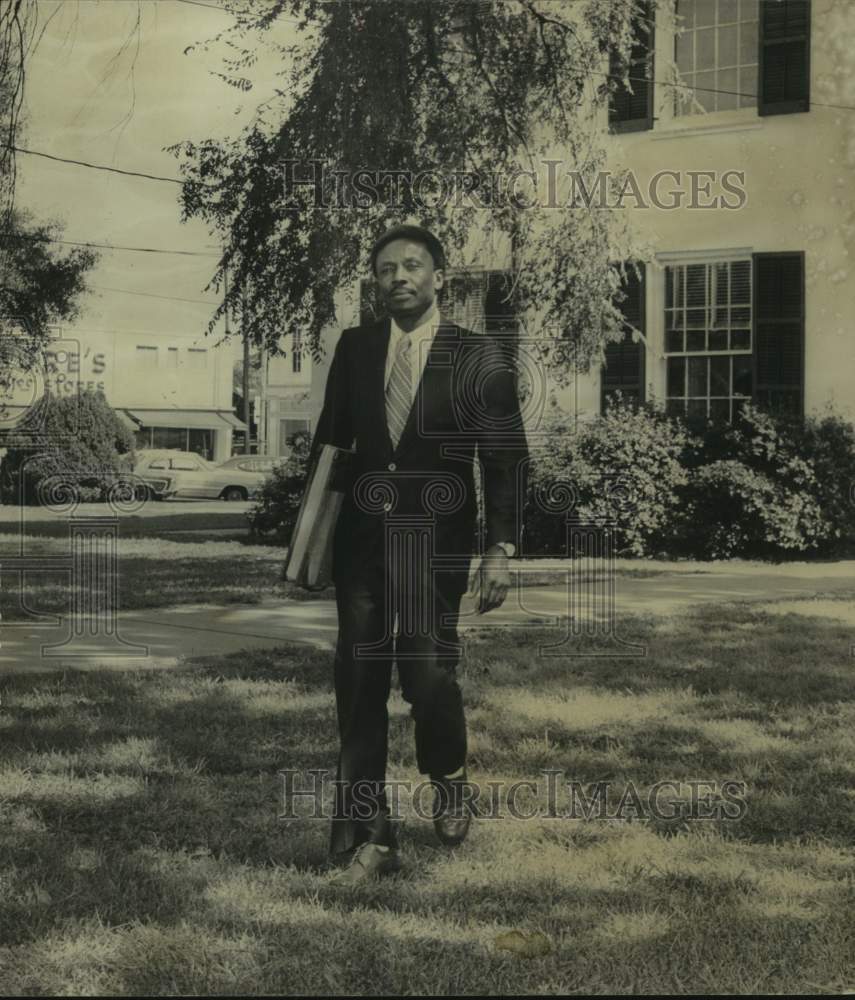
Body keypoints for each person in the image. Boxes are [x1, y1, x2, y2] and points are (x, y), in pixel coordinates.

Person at [307, 224, 528, 885]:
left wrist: (501, 548)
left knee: (427, 677)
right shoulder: (353, 348)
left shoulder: (478, 355)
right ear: (373, 283)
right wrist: (308, 545)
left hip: (437, 546)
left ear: (438, 276)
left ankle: (448, 776)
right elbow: (330, 448)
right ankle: (367, 835)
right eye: (383, 269)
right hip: (361, 546)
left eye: (411, 266)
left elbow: (505, 457)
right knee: (359, 679)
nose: (397, 277)